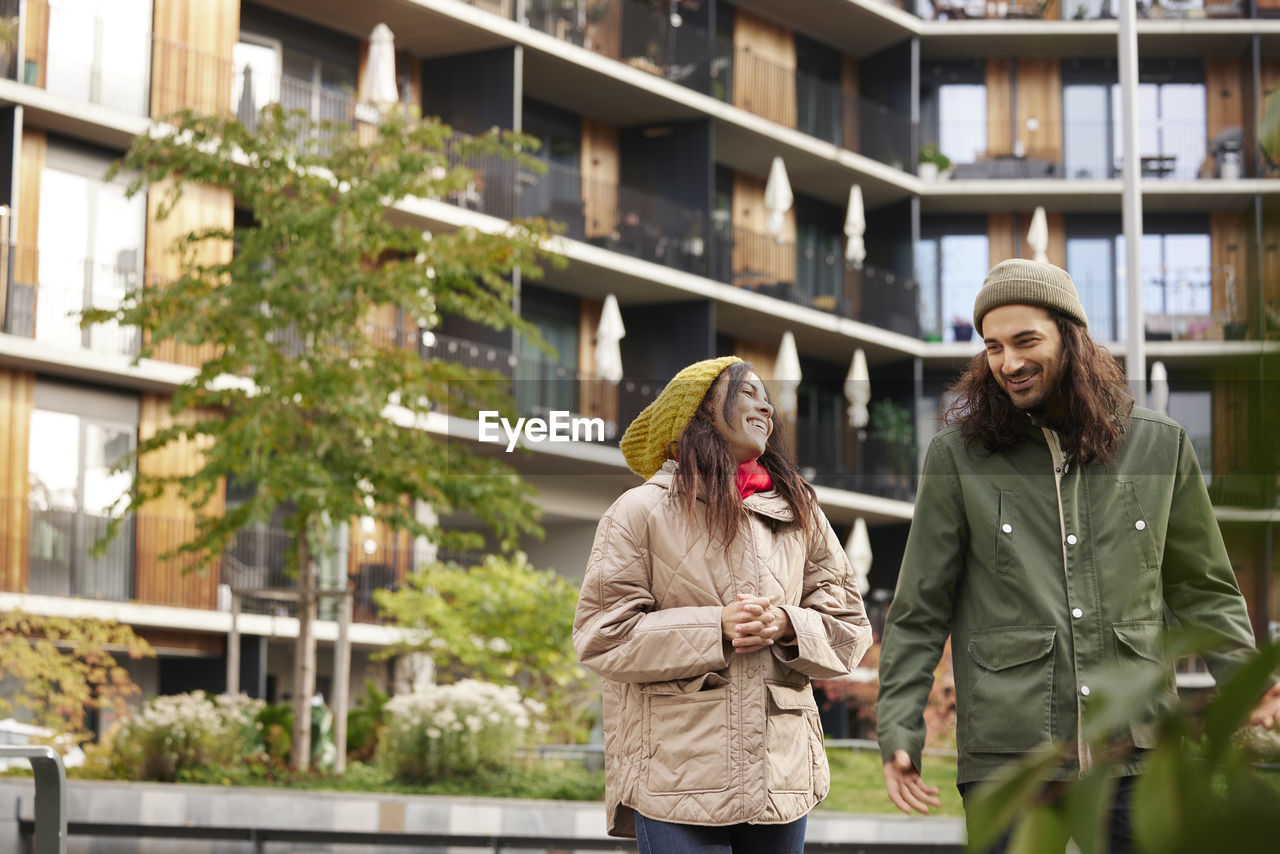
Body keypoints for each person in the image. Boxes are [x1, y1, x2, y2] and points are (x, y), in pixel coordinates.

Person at [875, 258, 1280, 850]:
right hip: (1008, 757)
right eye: (992, 347)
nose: (1008, 363)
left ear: (1071, 335)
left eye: (1025, 341)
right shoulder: (957, 458)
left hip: (1135, 749)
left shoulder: (1159, 445)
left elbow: (1203, 590)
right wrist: (899, 728)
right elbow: (919, 607)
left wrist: (1252, 689)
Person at [573, 356, 873, 853]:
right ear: (697, 410)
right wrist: (717, 627)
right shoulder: (639, 511)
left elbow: (850, 629)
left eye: (768, 399)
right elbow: (603, 636)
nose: (766, 407)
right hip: (674, 775)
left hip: (779, 775)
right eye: (747, 393)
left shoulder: (800, 510)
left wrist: (786, 624)